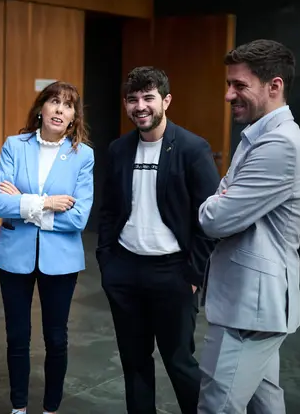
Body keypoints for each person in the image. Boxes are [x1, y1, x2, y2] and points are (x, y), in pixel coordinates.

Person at [197, 39, 300, 414]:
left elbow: (215, 218)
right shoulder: (260, 135)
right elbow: (225, 202)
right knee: (265, 403)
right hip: (253, 303)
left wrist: (221, 198)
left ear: (274, 86)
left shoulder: (279, 144)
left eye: (239, 85)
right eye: (229, 84)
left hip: (250, 307)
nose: (229, 94)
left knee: (217, 404)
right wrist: (225, 196)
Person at [95, 67, 220, 414]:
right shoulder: (119, 149)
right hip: (125, 270)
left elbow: (210, 219)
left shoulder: (193, 149)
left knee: (180, 362)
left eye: (148, 97)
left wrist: (194, 275)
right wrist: (108, 262)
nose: (140, 106)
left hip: (173, 274)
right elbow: (108, 211)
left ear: (165, 101)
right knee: (134, 364)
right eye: (133, 99)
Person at [0, 81, 94, 414]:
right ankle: (18, 407)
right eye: (54, 102)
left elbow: (78, 218)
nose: (60, 109)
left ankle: (51, 408)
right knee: (16, 337)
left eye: (68, 105)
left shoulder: (83, 156)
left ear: (74, 116)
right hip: (14, 257)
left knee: (56, 339)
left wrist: (22, 207)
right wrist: (47, 203)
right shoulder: (14, 146)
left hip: (60, 261)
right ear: (41, 108)